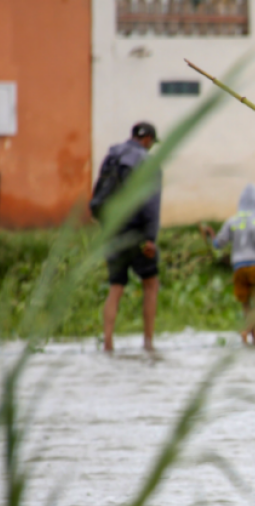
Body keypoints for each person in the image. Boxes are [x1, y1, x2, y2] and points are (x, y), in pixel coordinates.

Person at [199, 184, 255, 346]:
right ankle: (246, 331)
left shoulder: (232, 221)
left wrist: (210, 233)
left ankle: (252, 339)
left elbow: (217, 244)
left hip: (239, 269)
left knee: (247, 306)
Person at [99, 121, 162, 353]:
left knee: (116, 286)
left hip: (112, 230)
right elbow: (151, 202)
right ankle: (148, 342)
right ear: (147, 140)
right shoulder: (147, 162)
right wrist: (150, 238)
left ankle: (107, 342)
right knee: (150, 283)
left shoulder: (112, 157)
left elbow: (100, 195)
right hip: (136, 231)